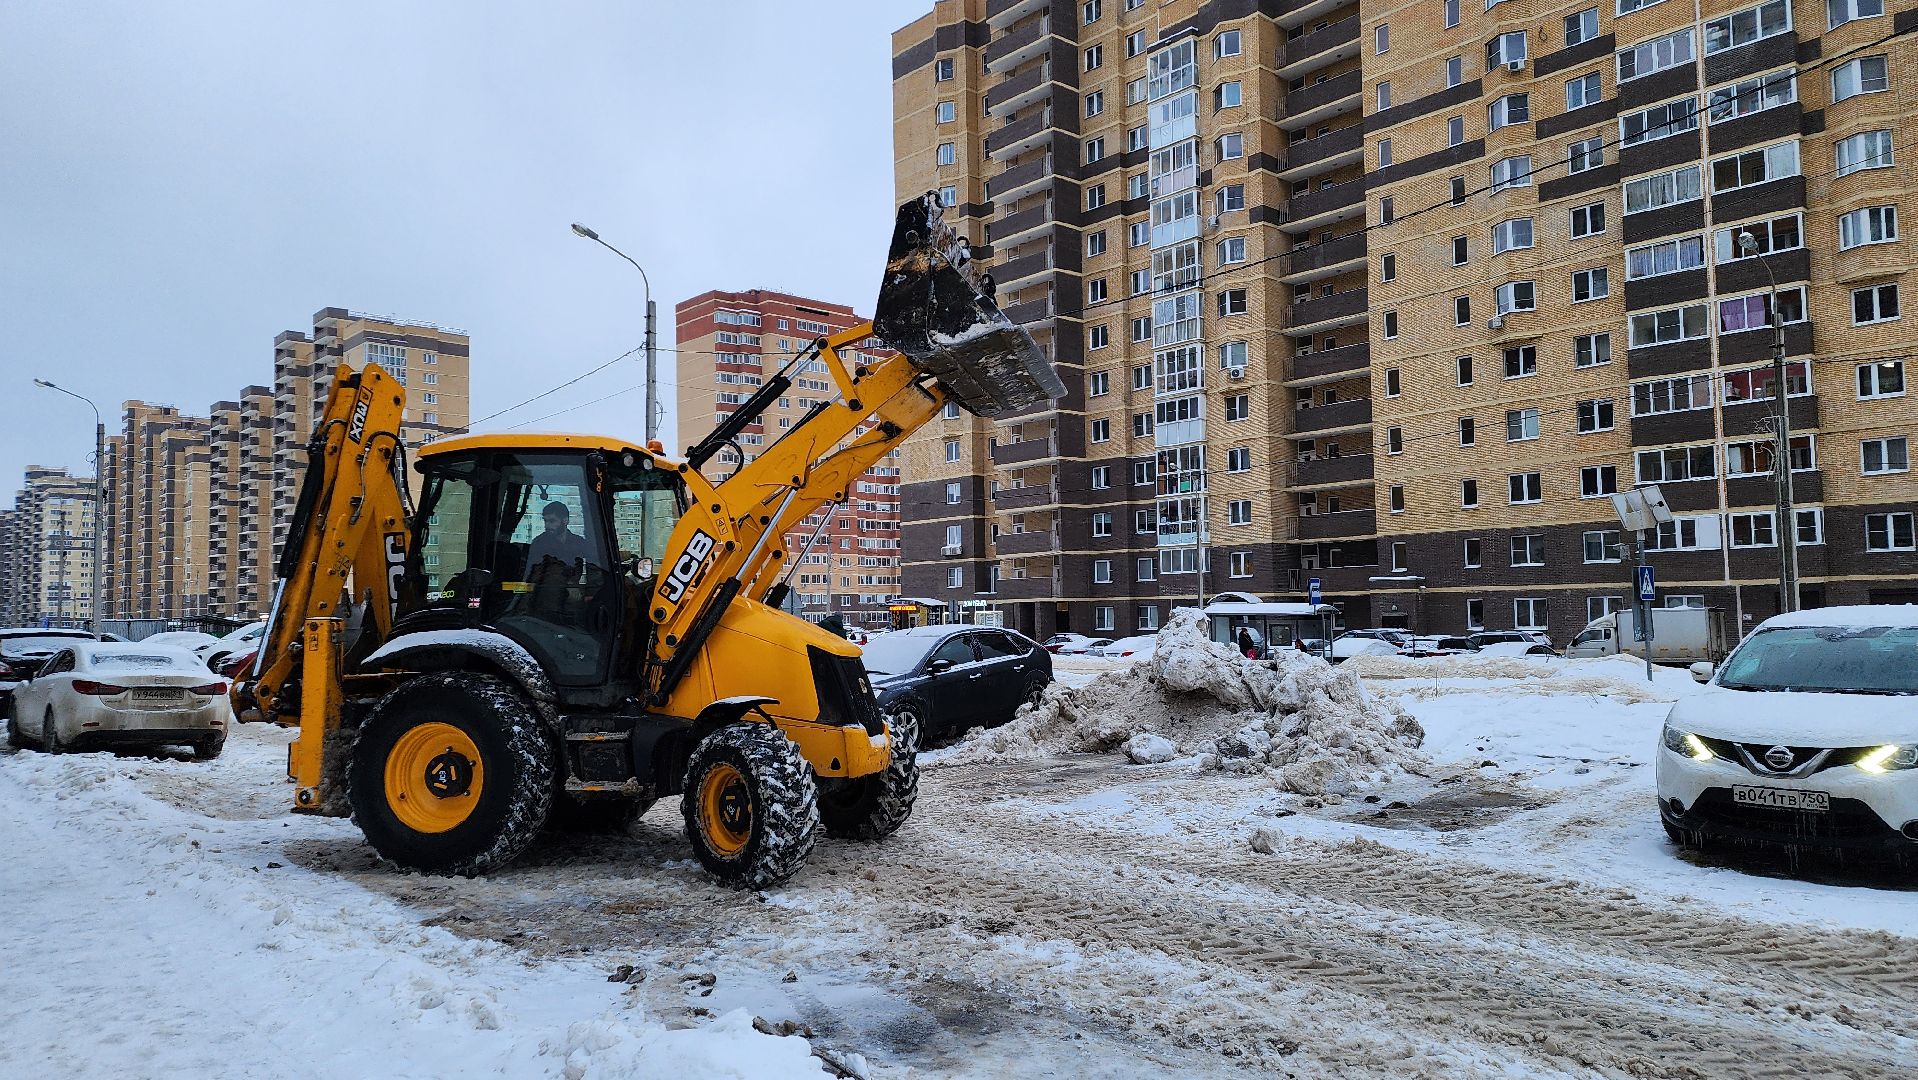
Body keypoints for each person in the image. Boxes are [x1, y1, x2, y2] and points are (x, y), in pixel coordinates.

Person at [526, 501, 595, 586]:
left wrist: (589, 592)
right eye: (545, 521)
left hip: (573, 592)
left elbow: (594, 566)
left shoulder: (579, 543)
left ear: (565, 520)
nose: (547, 525)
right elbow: (532, 575)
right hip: (546, 592)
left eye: (552, 521)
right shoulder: (539, 543)